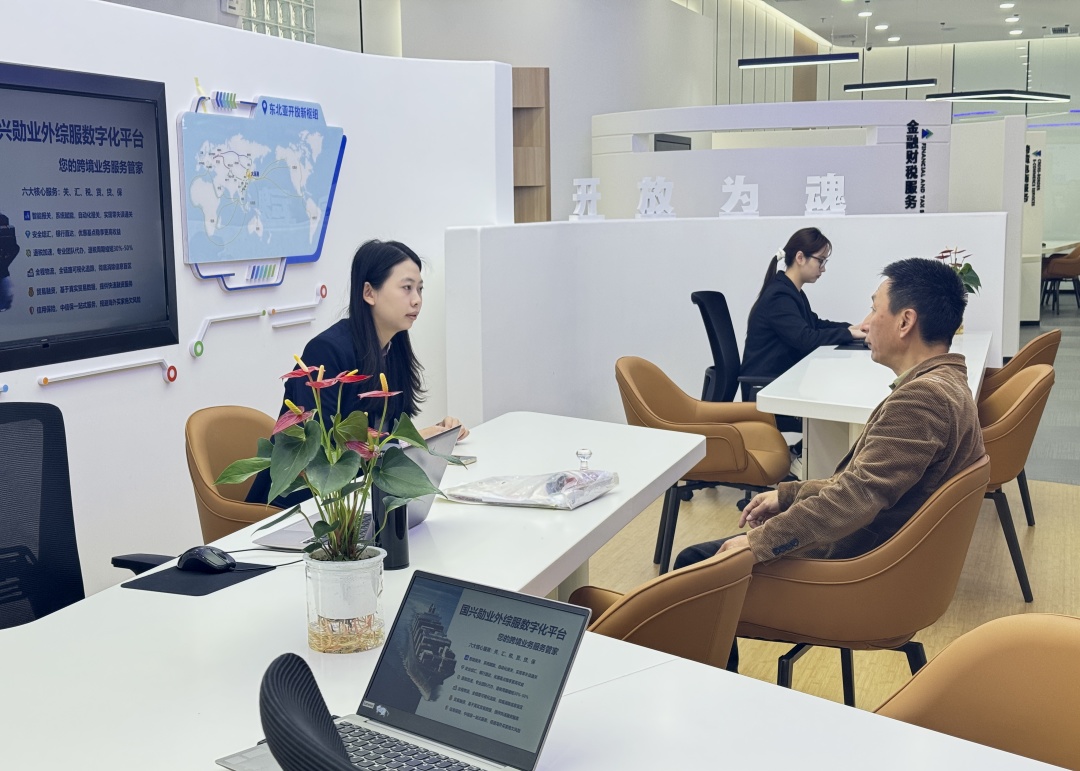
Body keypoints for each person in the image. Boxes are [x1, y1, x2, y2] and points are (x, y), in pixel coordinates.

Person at [675, 256, 985, 569]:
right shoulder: (946, 382)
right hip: (880, 549)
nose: (866, 323)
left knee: (692, 560)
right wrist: (789, 495)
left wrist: (759, 542)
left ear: (905, 322)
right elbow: (862, 485)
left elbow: (856, 497)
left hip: (853, 565)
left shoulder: (922, 401)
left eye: (874, 309)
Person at [246, 239, 467, 508]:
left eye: (420, 289)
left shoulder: (393, 349)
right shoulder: (326, 351)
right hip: (302, 503)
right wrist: (415, 441)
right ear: (369, 293)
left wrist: (432, 437)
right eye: (407, 288)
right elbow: (325, 449)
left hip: (357, 499)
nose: (417, 300)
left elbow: (381, 437)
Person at [740, 227, 866, 398]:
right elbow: (805, 339)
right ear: (800, 257)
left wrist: (851, 328)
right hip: (764, 388)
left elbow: (814, 324)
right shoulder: (779, 296)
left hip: (778, 384)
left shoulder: (791, 291)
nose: (823, 269)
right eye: (820, 261)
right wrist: (849, 334)